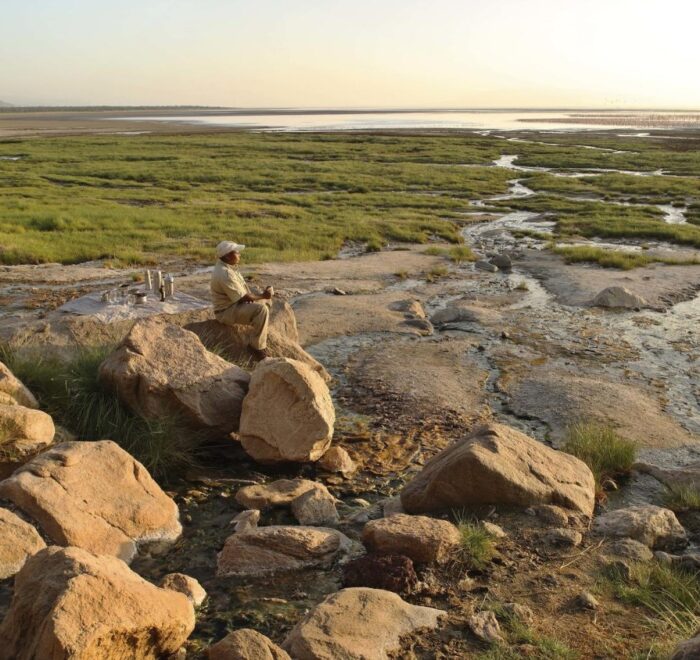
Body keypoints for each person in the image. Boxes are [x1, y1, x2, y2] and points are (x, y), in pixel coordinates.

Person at [211, 240, 273, 360]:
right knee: (262, 309)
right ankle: (257, 347)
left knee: (265, 303)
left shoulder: (227, 266)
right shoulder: (225, 273)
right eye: (237, 252)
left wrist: (262, 297)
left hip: (234, 304)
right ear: (228, 255)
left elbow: (243, 293)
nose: (239, 254)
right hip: (226, 311)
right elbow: (244, 297)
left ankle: (259, 332)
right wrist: (263, 296)